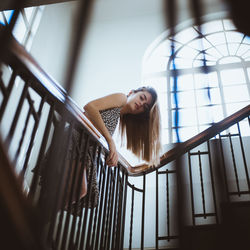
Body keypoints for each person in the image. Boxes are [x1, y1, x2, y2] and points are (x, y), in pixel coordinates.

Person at [67, 86, 161, 212]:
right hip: (75, 139)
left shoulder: (118, 116)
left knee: (80, 192)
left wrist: (105, 152)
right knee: (81, 190)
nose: (141, 104)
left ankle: (43, 213)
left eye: (145, 106)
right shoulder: (121, 98)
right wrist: (110, 142)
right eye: (142, 98)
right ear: (132, 93)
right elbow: (90, 107)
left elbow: (97, 131)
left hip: (83, 148)